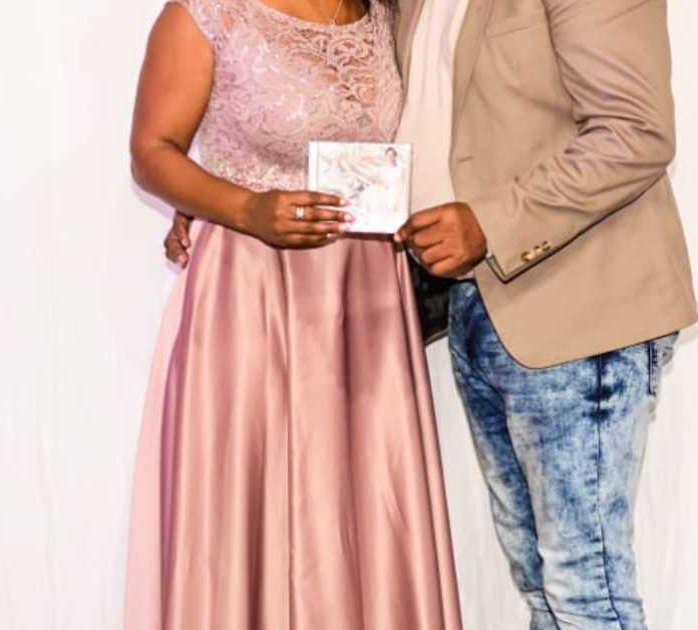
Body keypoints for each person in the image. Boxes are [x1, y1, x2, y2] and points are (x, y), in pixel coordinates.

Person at [167, 0, 698, 627]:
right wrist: (226, 194)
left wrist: (491, 224)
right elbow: (352, 110)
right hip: (478, 304)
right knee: (543, 583)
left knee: (585, 589)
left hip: (580, 308)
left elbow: (637, 131)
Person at [123, 0, 463, 628]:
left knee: (362, 497)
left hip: (366, 296)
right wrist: (243, 207)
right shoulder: (211, 13)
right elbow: (152, 149)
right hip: (252, 291)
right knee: (249, 492)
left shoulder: (385, 14)